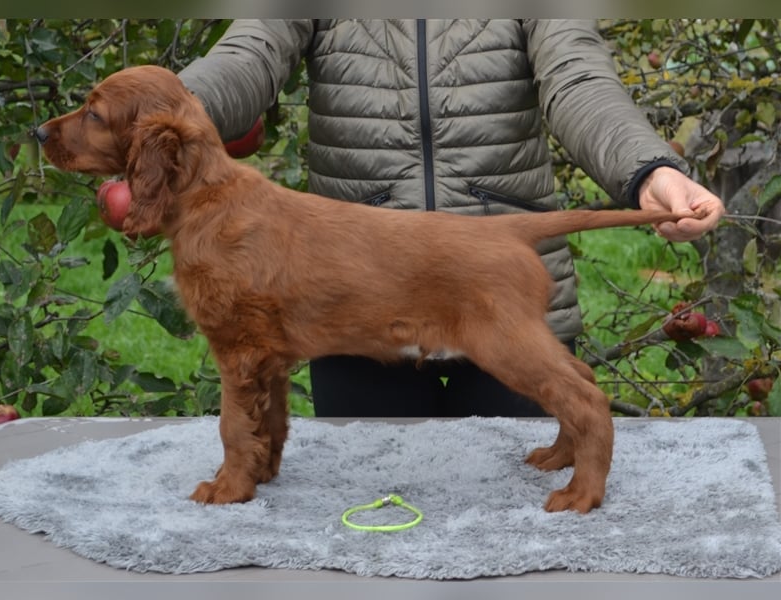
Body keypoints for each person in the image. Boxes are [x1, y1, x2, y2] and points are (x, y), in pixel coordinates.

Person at [176, 19, 725, 418]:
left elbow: (579, 81)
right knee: (370, 532)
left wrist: (649, 171)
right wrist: (159, 116)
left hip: (497, 293)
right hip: (357, 302)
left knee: (524, 537)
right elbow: (248, 56)